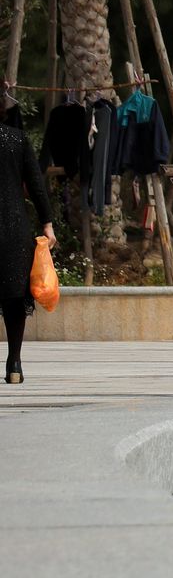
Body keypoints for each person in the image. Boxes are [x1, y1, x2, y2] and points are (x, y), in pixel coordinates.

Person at [0, 120, 55, 384]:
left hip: (12, 227)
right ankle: (14, 364)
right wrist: (47, 223)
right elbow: (35, 183)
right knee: (14, 298)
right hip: (13, 228)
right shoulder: (16, 138)